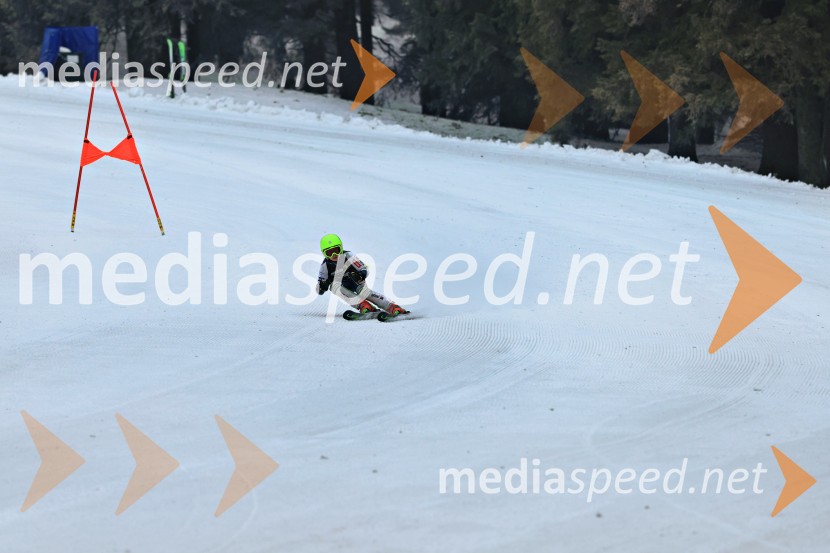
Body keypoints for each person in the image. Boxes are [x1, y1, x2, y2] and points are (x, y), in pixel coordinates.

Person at [316, 234, 410, 315]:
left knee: (364, 293)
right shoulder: (325, 265)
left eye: (336, 250)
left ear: (341, 247)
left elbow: (363, 269)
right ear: (324, 254)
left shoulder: (348, 256)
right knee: (333, 287)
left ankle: (392, 307)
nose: (333, 255)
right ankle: (363, 305)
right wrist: (323, 285)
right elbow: (319, 289)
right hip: (343, 287)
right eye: (329, 252)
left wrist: (360, 275)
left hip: (356, 282)